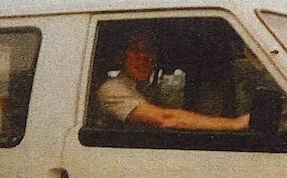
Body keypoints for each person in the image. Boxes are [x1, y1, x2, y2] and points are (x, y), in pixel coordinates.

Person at [97, 36, 250, 130]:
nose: (144, 57)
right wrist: (235, 124)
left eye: (149, 51)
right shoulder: (112, 88)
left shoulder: (146, 89)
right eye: (135, 50)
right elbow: (167, 119)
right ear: (120, 57)